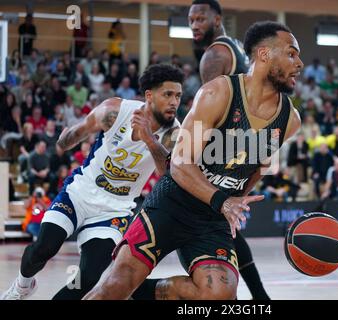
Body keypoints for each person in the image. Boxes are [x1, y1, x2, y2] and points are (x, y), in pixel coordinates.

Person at [84, 21, 302, 300]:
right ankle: (133, 287)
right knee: (114, 288)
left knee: (220, 295)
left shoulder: (290, 120)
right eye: (291, 54)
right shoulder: (218, 93)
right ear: (264, 55)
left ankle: (162, 290)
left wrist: (235, 202)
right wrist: (224, 200)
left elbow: (259, 168)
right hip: (172, 204)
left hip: (212, 219)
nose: (299, 63)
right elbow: (179, 164)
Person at [1, 64, 184, 300]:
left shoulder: (175, 133)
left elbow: (165, 174)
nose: (174, 102)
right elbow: (78, 132)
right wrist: (66, 139)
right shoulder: (116, 111)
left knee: (89, 276)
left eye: (178, 96)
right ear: (149, 95)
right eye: (167, 94)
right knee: (43, 248)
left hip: (115, 208)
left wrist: (149, 139)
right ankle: (22, 286)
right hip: (80, 192)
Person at [186, 0, 267, 300]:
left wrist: (189, 155)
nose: (194, 25)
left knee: (178, 208)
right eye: (191, 20)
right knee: (226, 223)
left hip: (223, 149)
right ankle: (261, 297)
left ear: (217, 19)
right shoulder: (234, 47)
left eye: (200, 19)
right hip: (246, 145)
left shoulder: (215, 54)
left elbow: (206, 112)